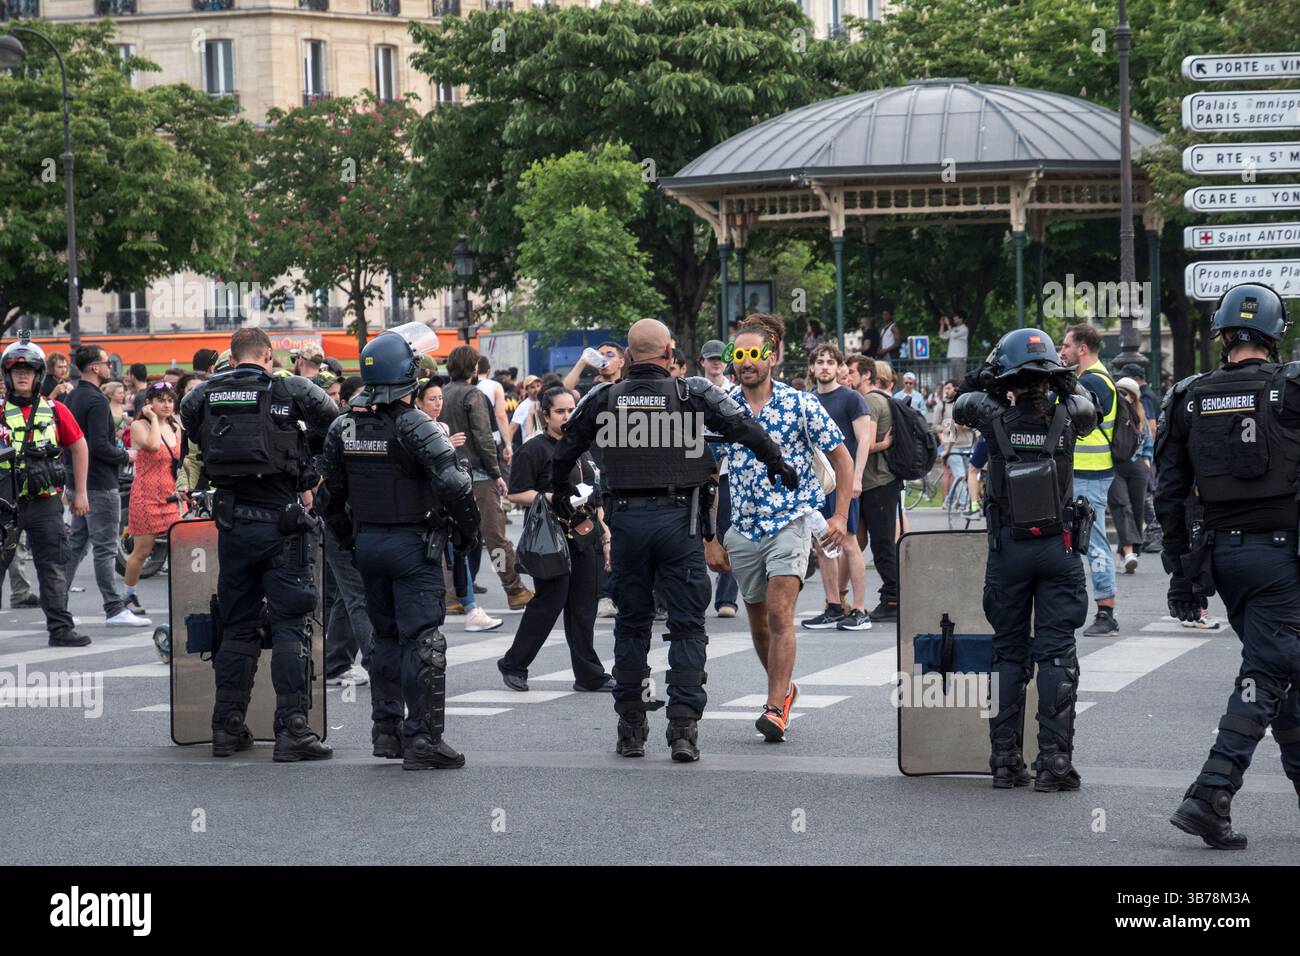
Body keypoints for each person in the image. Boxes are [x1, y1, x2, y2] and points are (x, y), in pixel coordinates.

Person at [550, 318, 796, 761]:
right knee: (686, 627)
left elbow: (565, 448)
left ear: (626, 356)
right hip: (678, 523)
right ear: (669, 353)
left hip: (625, 524)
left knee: (631, 624)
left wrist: (565, 500)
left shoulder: (604, 397)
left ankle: (630, 727)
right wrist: (776, 461)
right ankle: (682, 729)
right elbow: (744, 427)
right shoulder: (692, 392)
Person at [1155, 283, 1300, 850]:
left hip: (1223, 557)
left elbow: (1169, 496)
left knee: (1285, 665)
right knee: (1268, 670)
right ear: (1274, 334)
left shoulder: (1188, 396)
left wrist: (1180, 573)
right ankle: (1211, 791)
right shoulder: (1291, 389)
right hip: (1283, 556)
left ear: (1221, 334)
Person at [320, 330, 482, 770]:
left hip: (369, 543)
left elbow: (327, 500)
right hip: (413, 545)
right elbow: (453, 485)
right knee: (423, 641)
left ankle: (386, 731)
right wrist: (470, 533)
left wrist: (353, 541)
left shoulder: (343, 425)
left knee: (385, 639)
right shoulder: (415, 424)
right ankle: (424, 739)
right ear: (408, 375)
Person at [180, 327, 340, 761]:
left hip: (233, 527)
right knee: (290, 625)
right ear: (269, 355)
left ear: (233, 358)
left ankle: (227, 728)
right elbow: (336, 423)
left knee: (236, 626)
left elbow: (189, 425)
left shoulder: (206, 393)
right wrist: (311, 470)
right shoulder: (292, 388)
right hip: (283, 526)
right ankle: (293, 730)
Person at [954, 328, 1097, 791]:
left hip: (1009, 551)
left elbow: (962, 397)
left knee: (1008, 654)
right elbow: (1089, 405)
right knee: (1057, 656)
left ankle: (1004, 761)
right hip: (1059, 549)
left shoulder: (990, 415)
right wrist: (1057, 378)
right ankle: (1055, 764)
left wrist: (992, 375)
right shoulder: (1070, 415)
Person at [705, 315, 852, 740]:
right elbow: (710, 474)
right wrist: (711, 537)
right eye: (740, 355)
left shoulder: (800, 404)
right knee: (758, 623)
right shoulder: (723, 407)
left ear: (772, 358)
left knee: (778, 612)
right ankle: (785, 691)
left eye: (755, 354)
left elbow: (841, 458)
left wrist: (839, 516)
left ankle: (773, 707)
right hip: (742, 526)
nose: (746, 362)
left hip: (790, 520)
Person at [498, 386, 614, 692]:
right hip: (550, 537)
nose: (567, 416)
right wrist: (550, 496)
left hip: (583, 534)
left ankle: (589, 675)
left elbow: (596, 488)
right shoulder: (535, 449)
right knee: (549, 603)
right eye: (560, 411)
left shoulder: (582, 446)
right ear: (545, 414)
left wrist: (602, 527)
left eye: (571, 410)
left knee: (583, 606)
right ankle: (514, 663)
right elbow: (515, 491)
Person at [0, 336, 90, 646]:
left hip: (45, 501)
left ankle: (61, 630)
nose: (22, 375)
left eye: (28, 370)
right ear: (7, 375)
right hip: (3, 504)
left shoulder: (55, 410)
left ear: (39, 375)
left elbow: (79, 446)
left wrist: (81, 493)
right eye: (16, 371)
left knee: (53, 566)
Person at [63, 346, 149, 627]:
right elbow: (99, 446)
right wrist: (127, 455)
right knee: (104, 548)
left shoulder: (73, 397)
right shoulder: (97, 402)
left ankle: (57, 604)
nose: (109, 366)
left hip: (77, 481)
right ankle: (114, 608)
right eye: (105, 362)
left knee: (77, 545)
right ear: (94, 368)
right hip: (100, 483)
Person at [441, 345, 533, 610]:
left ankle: (450, 595)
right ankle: (513, 588)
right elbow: (482, 437)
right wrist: (496, 472)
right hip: (478, 476)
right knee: (495, 538)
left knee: (451, 538)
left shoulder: (441, 394)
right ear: (475, 368)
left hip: (448, 475)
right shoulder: (474, 395)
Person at [416, 377, 500, 632]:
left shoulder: (440, 425)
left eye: (440, 398)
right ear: (418, 402)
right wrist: (447, 446)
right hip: (426, 505)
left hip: (446, 504)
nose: (438, 403)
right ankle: (463, 607)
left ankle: (471, 607)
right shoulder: (416, 427)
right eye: (432, 399)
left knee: (458, 553)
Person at [800, 343, 872, 632]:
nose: (826, 366)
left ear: (839, 367)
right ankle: (831, 605)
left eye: (831, 361)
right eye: (821, 361)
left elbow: (864, 440)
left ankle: (859, 609)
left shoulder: (852, 399)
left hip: (844, 481)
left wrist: (856, 478)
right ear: (812, 368)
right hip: (817, 485)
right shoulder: (806, 400)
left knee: (849, 542)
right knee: (821, 544)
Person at [1059, 324, 1120, 636]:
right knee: (1078, 541)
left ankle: (1106, 611)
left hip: (1090, 471)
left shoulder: (1093, 380)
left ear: (1082, 348)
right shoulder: (1091, 377)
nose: (1062, 351)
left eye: (1067, 345)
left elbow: (1075, 420)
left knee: (1094, 541)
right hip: (1084, 471)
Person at [123, 383, 182, 606]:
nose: (167, 405)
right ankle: (129, 595)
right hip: (146, 496)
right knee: (142, 551)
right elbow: (153, 445)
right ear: (150, 403)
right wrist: (154, 420)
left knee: (182, 547)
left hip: (171, 495)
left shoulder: (177, 427)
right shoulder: (140, 425)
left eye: (170, 400)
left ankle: (183, 595)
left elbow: (183, 460)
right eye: (161, 400)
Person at [855, 359, 900, 621]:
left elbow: (867, 443)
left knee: (882, 543)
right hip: (883, 480)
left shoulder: (872, 401)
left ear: (870, 375)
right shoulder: (886, 400)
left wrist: (881, 445)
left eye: (852, 372)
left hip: (878, 480)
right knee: (880, 540)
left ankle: (893, 598)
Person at [1109, 377, 1150, 574]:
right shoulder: (1112, 412)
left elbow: (1148, 440)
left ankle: (1125, 552)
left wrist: (1147, 461)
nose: (1122, 397)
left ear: (1134, 397)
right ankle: (1128, 552)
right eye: (1119, 393)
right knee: (1122, 506)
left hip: (1136, 465)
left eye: (1125, 394)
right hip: (1114, 466)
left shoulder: (1140, 414)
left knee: (1137, 510)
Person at [508, 374, 542, 446]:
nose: (536, 389)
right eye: (532, 387)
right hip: (531, 447)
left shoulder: (545, 401)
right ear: (526, 390)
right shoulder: (523, 407)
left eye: (538, 386)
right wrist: (508, 447)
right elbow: (511, 429)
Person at [939, 310, 969, 378]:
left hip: (960, 358)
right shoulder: (953, 329)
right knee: (954, 379)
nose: (954, 319)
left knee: (961, 378)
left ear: (961, 319)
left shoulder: (964, 329)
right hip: (952, 358)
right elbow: (942, 336)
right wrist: (942, 324)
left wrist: (948, 324)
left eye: (956, 318)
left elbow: (953, 335)